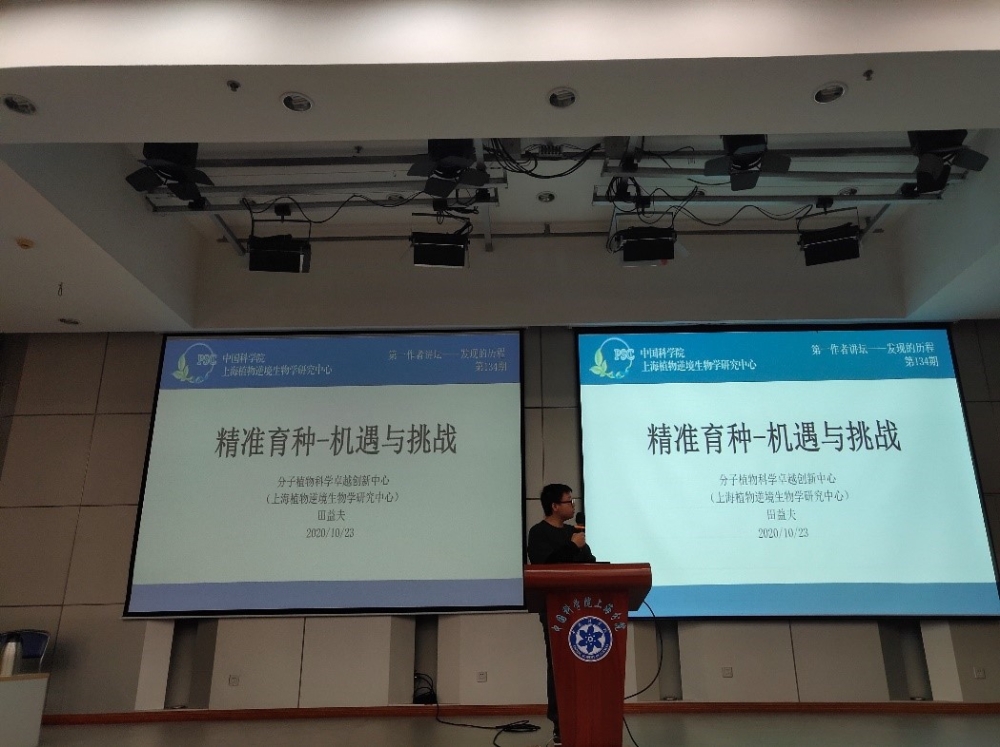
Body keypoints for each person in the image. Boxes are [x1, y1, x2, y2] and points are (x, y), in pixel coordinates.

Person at [527, 483, 595, 746]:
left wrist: (578, 546)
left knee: (586, 664)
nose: (573, 506)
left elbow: (589, 563)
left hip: (584, 609)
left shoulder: (573, 532)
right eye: (569, 501)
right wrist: (572, 547)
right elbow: (544, 567)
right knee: (558, 666)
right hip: (556, 610)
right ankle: (561, 723)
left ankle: (588, 718)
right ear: (555, 506)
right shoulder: (538, 533)